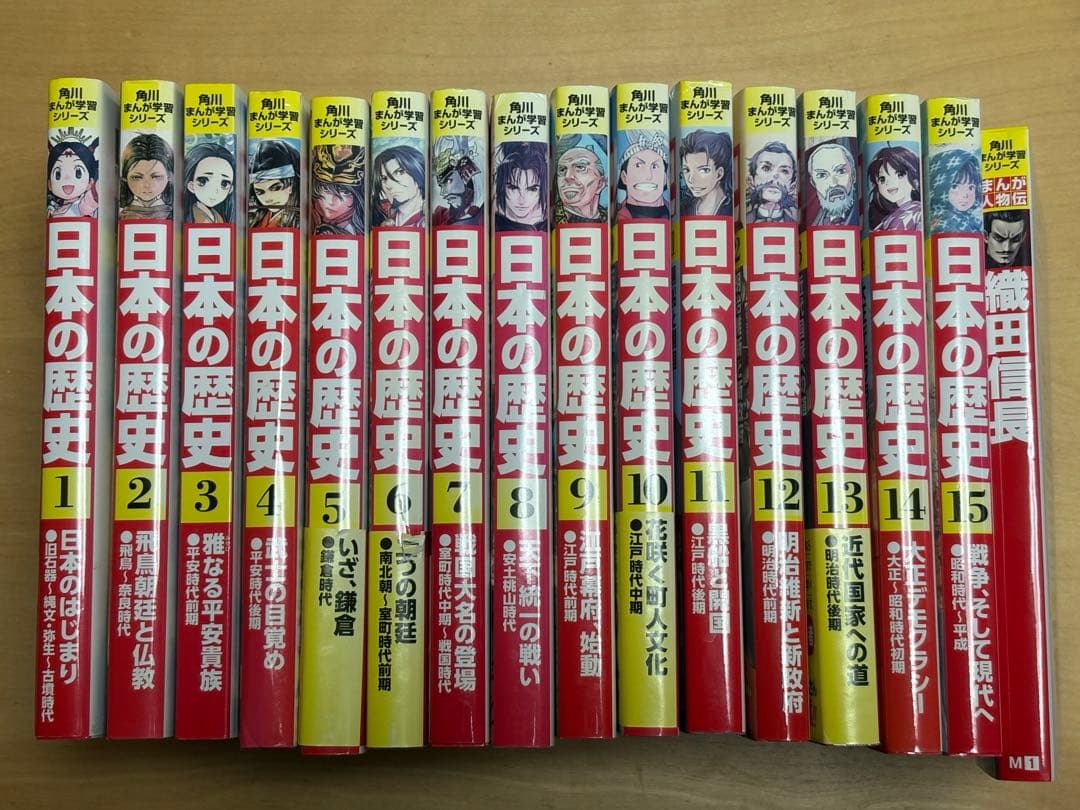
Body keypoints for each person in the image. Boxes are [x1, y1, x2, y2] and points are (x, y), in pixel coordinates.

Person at [311, 143, 365, 235]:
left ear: (357, 195)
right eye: (326, 189)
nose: (331, 201)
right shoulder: (307, 215)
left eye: (345, 192)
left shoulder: (358, 228)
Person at [493, 141, 547, 231]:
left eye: (532, 189)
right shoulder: (492, 220)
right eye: (513, 188)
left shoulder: (546, 222)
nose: (522, 201)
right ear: (501, 186)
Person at [119, 133, 174, 220]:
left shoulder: (175, 215)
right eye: (137, 177)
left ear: (169, 176)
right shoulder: (121, 216)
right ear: (125, 178)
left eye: (156, 177)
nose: (147, 185)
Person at [866, 145, 922, 231]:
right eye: (882, 179)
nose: (890, 183)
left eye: (900, 175)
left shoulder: (917, 213)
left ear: (915, 181)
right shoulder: (888, 218)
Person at [554, 133, 607, 223]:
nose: (568, 177)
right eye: (562, 170)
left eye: (580, 167)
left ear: (600, 184)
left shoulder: (608, 219)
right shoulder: (553, 220)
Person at [615, 131, 668, 221]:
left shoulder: (675, 213)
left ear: (665, 178)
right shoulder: (619, 217)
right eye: (638, 165)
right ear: (624, 177)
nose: (648, 176)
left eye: (655, 166)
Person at [248, 139, 301, 229]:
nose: (268, 198)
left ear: (292, 183)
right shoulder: (256, 217)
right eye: (259, 192)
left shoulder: (299, 220)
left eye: (276, 188)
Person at [679, 129, 731, 217]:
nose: (691, 179)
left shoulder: (730, 210)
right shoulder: (684, 209)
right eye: (687, 170)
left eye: (703, 170)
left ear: (719, 173)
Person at [928, 148, 981, 233]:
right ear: (939, 186)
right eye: (955, 186)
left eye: (971, 188)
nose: (965, 195)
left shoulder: (972, 220)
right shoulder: (944, 224)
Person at [432, 136, 482, 226]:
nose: (443, 193)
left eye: (449, 181)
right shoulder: (441, 216)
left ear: (466, 174)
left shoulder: (483, 214)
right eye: (441, 186)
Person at [372, 144, 425, 228]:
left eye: (400, 172)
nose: (389, 185)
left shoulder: (439, 215)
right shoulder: (383, 217)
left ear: (417, 172)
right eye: (384, 178)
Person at [47, 134, 99, 218]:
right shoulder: (52, 208)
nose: (67, 178)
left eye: (78, 173)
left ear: (90, 182)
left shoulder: (83, 205)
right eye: (58, 174)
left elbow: (94, 196)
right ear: (49, 184)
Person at [806, 141, 857, 226]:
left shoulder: (862, 218)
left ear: (853, 176)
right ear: (813, 183)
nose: (833, 184)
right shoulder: (814, 223)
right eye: (822, 175)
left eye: (841, 171)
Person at [183, 141, 235, 224]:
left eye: (224, 183)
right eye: (203, 181)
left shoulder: (217, 215)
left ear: (231, 189)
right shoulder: (192, 216)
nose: (214, 190)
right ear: (191, 185)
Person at [745, 140, 797, 223]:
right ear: (751, 181)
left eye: (784, 171)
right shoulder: (745, 221)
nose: (775, 175)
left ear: (792, 187)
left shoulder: (793, 223)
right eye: (766, 168)